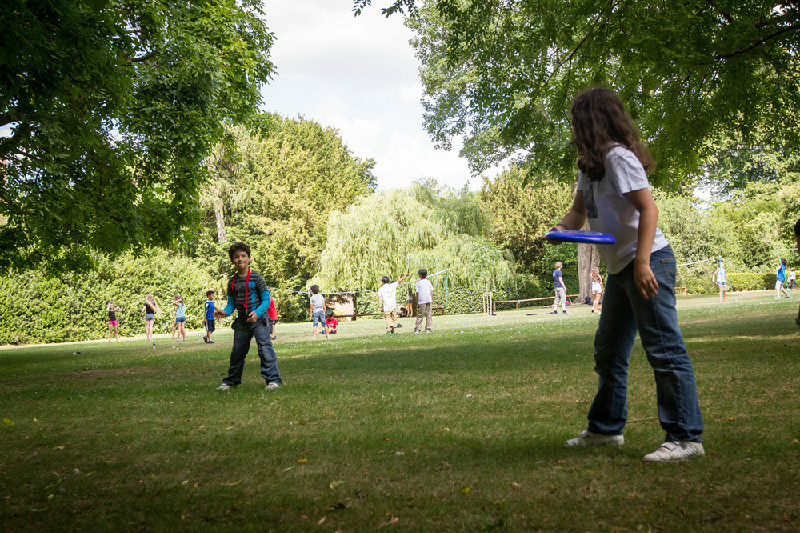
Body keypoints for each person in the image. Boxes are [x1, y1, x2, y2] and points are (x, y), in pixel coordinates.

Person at [549, 88, 704, 462]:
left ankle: (685, 438)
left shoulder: (619, 157)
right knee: (609, 352)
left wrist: (642, 265)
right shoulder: (590, 166)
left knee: (664, 349)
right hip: (621, 268)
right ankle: (605, 430)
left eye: (576, 121)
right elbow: (578, 214)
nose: (573, 129)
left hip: (647, 262)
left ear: (592, 121)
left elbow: (648, 209)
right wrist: (560, 229)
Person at [214, 242, 282, 391]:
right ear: (232, 261)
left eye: (243, 256)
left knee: (264, 349)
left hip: (260, 320)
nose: (240, 259)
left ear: (249, 258)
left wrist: (257, 313)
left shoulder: (257, 278)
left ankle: (273, 380)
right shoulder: (232, 282)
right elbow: (231, 304)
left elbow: (266, 300)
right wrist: (225, 312)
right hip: (242, 322)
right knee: (237, 352)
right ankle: (232, 381)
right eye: (236, 257)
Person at [414, 268, 434, 333]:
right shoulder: (429, 282)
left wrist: (417, 302)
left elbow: (417, 293)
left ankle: (417, 329)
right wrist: (431, 299)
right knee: (428, 315)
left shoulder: (418, 283)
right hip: (429, 300)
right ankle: (428, 328)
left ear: (420, 275)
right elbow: (431, 291)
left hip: (421, 301)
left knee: (420, 315)